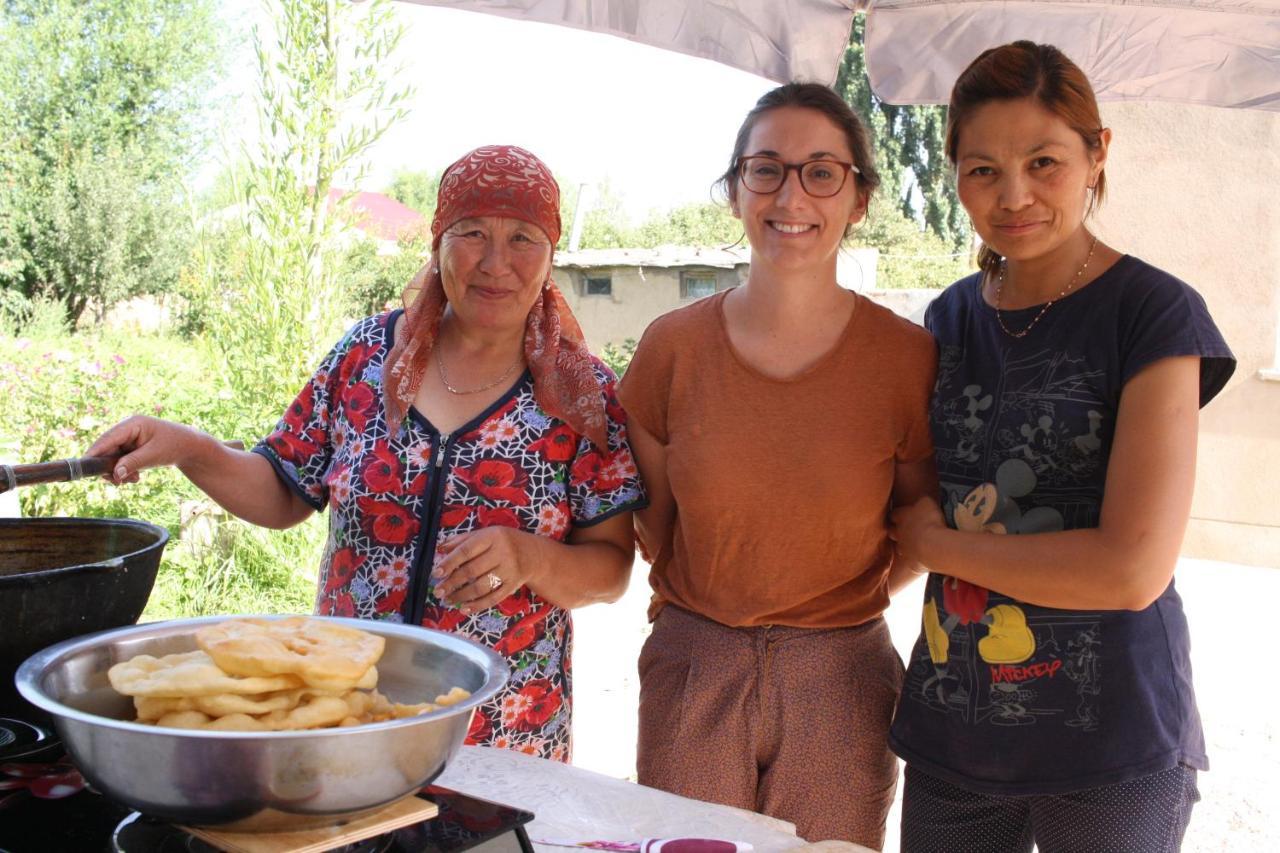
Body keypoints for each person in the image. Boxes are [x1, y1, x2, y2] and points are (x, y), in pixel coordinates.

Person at [87, 145, 646, 762]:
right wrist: (189, 448)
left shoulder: (581, 393)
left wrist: (530, 557)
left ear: (550, 256)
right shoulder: (366, 357)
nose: (495, 262)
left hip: (504, 726)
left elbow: (610, 568)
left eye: (522, 238)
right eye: (471, 232)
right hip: (345, 705)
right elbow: (281, 491)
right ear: (438, 242)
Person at [887, 42, 1236, 852]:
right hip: (954, 726)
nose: (1014, 196)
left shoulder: (1152, 314)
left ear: (1096, 153)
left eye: (1044, 161)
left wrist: (941, 544)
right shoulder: (946, 321)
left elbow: (1131, 567)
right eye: (982, 171)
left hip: (1108, 742)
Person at [618, 82, 938, 847]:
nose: (791, 193)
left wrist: (825, 603)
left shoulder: (906, 359)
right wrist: (727, 605)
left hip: (843, 674)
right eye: (766, 168)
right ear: (734, 192)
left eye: (822, 171)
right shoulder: (672, 348)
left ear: (859, 198)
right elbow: (657, 525)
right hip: (696, 661)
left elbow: (913, 525)